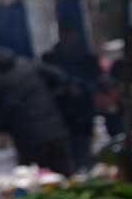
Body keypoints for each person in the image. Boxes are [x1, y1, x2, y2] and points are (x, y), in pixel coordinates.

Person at [0, 44, 73, 175]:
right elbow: (60, 78)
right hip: (55, 131)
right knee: (66, 179)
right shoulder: (24, 62)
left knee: (35, 181)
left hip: (28, 139)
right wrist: (50, 102)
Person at [42, 28, 102, 171]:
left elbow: (95, 81)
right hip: (62, 113)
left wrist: (82, 88)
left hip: (83, 112)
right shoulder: (50, 58)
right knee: (67, 152)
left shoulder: (87, 58)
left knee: (84, 149)